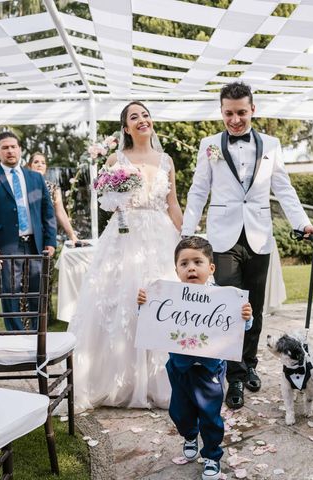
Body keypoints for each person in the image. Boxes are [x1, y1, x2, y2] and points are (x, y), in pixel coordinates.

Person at [181, 81, 313, 410]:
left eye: (241, 112)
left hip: (259, 236)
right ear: (222, 112)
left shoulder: (271, 144)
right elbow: (199, 190)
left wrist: (302, 222)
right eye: (229, 113)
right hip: (222, 238)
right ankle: (235, 377)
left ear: (253, 109)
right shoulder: (209, 145)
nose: (235, 119)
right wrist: (188, 232)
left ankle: (250, 363)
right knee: (230, 309)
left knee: (254, 310)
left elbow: (283, 188)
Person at [69, 101, 183, 411]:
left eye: (145, 114)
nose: (143, 119)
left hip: (160, 236)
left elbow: (172, 203)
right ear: (126, 128)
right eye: (135, 117)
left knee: (164, 300)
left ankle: (164, 378)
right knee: (122, 301)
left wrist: (185, 238)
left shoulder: (166, 160)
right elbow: (106, 201)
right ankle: (121, 380)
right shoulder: (115, 160)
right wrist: (117, 198)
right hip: (124, 236)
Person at [137, 236, 253, 480]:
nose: (191, 267)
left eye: (197, 262)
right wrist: (144, 305)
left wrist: (245, 315)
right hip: (179, 368)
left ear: (210, 268)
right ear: (177, 270)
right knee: (179, 412)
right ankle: (189, 434)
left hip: (209, 370)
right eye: (184, 263)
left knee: (210, 416)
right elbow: (154, 321)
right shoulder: (168, 295)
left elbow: (239, 327)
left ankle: (211, 455)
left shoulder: (224, 296)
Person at [0, 131, 57, 331]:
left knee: (39, 292)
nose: (10, 151)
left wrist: (51, 240)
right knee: (10, 293)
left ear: (20, 150)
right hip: (7, 247)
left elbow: (48, 212)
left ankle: (38, 335)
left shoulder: (36, 178)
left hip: (36, 245)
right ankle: (16, 336)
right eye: (5, 147)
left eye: (13, 147)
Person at [27, 152, 79, 244]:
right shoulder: (23, 185)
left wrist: (72, 236)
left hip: (46, 235)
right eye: (36, 162)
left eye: (43, 163)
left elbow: (60, 212)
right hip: (27, 235)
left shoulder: (54, 188)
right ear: (29, 166)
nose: (40, 165)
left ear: (46, 168)